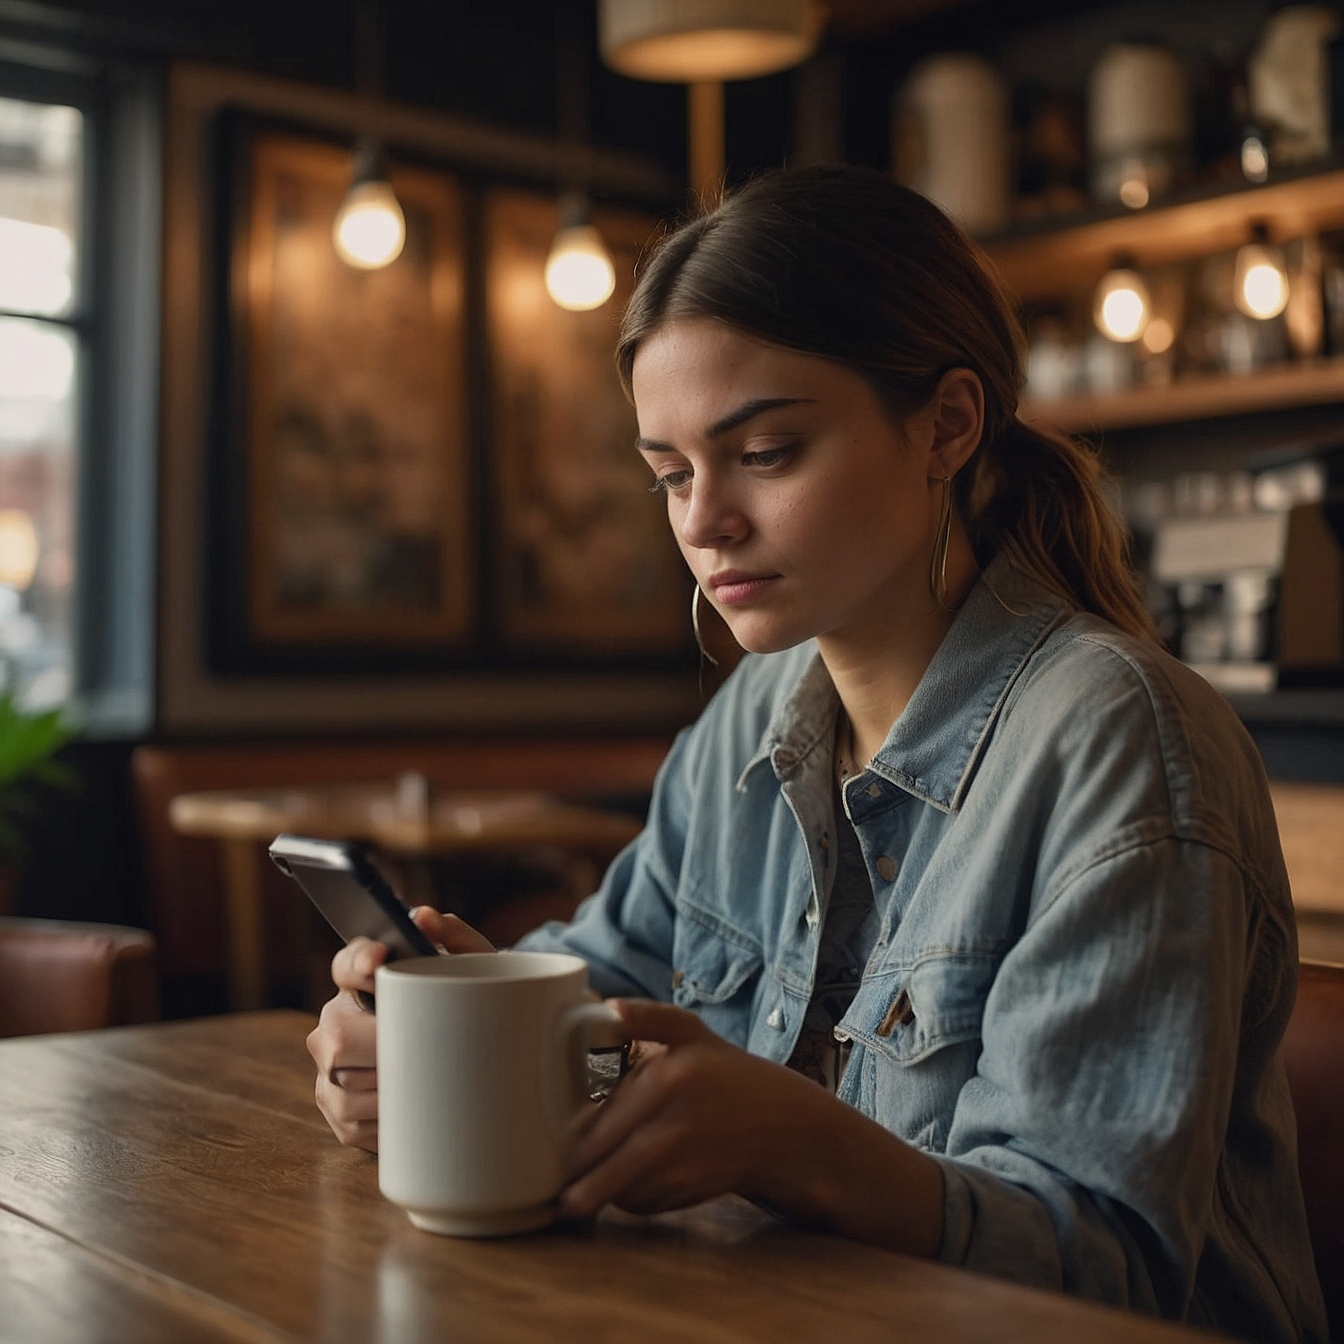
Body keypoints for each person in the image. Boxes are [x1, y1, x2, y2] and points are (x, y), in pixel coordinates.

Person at [306, 166, 1327, 1343]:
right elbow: (603, 993)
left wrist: (791, 1144)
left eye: (767, 451)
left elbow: (1104, 1270)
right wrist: (457, 1037)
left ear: (947, 426)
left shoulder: (1119, 742)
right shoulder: (751, 721)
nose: (703, 522)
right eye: (671, 475)